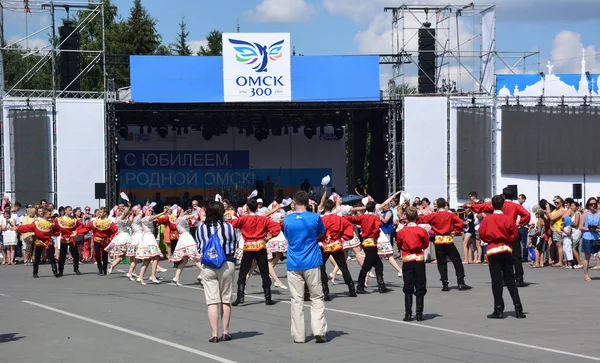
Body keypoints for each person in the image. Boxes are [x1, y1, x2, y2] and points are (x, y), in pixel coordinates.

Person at [283, 191, 328, 343]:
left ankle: (299, 335)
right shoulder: (315, 217)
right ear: (308, 203)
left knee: (296, 300)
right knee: (316, 297)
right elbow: (322, 234)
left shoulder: (287, 219)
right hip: (312, 261)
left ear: (294, 202)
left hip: (294, 262)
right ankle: (319, 330)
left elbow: (288, 236)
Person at [469, 187, 531, 287]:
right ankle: (519, 278)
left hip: (500, 231)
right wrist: (520, 223)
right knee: (516, 256)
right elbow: (526, 214)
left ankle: (502, 279)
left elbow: (484, 207)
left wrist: (471, 206)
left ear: (503, 195)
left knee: (501, 255)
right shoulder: (515, 206)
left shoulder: (500, 205)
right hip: (512, 231)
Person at [478, 195, 526, 319]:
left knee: (496, 280)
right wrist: (508, 240)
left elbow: (482, 234)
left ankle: (498, 309)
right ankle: (518, 308)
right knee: (510, 279)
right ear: (503, 205)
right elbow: (514, 233)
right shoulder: (508, 219)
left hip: (493, 250)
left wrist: (490, 239)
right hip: (506, 249)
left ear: (492, 205)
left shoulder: (487, 220)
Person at [197, 201, 238, 343]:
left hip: (208, 265)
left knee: (212, 301)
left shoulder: (201, 228)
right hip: (226, 263)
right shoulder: (228, 227)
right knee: (226, 298)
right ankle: (226, 332)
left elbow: (199, 247)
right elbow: (234, 244)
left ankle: (214, 333)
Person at [230, 198, 281, 306]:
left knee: (243, 272)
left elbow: (230, 224)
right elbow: (276, 228)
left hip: (248, 248)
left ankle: (240, 297)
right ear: (257, 207)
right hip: (260, 247)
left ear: (247, 208)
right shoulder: (263, 219)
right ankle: (268, 298)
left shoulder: (244, 219)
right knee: (264, 272)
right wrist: (267, 237)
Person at [415, 198, 472, 291]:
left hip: (438, 240)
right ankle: (460, 282)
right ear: (445, 204)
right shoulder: (450, 215)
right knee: (456, 261)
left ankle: (445, 283)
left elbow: (421, 219)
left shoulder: (434, 215)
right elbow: (460, 223)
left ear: (437, 205)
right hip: (448, 239)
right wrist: (456, 231)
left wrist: (416, 212)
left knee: (441, 263)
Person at [396, 206, 430, 322]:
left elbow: (399, 245)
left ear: (406, 217)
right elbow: (425, 244)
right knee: (420, 285)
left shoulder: (401, 232)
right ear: (416, 216)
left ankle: (408, 314)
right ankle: (419, 313)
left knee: (408, 285)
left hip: (407, 259)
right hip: (419, 259)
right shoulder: (421, 231)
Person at [320, 199, 357, 299]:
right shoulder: (338, 218)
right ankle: (352, 289)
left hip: (324, 245)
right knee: (343, 266)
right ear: (333, 207)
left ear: (324, 208)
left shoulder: (321, 219)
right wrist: (344, 236)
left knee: (321, 267)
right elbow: (349, 225)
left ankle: (325, 292)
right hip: (336, 244)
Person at [17, 208, 60, 278]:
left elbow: (57, 229)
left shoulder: (52, 222)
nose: (50, 215)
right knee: (37, 258)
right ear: (44, 214)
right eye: (49, 214)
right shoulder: (37, 222)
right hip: (39, 241)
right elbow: (27, 227)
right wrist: (18, 228)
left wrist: (55, 233)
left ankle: (55, 272)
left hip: (48, 241)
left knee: (52, 257)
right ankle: (35, 272)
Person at [56, 206, 84, 276]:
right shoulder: (59, 219)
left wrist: (76, 231)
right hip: (64, 238)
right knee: (62, 255)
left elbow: (81, 226)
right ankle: (60, 270)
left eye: (71, 210)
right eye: (69, 210)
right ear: (65, 211)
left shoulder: (74, 220)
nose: (70, 212)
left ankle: (76, 268)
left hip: (72, 238)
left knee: (76, 255)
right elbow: (55, 226)